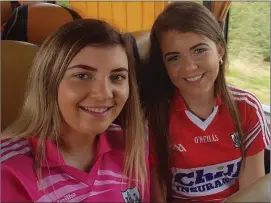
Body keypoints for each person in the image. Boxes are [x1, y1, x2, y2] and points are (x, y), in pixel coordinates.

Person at [1, 19, 149, 202]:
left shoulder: (132, 145)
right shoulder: (8, 170)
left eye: (117, 77)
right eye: (82, 75)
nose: (104, 94)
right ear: (48, 82)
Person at [140, 1, 270, 202]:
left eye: (199, 50)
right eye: (174, 57)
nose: (189, 67)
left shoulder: (247, 108)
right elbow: (158, 194)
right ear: (164, 65)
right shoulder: (153, 117)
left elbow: (251, 195)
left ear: (219, 50)